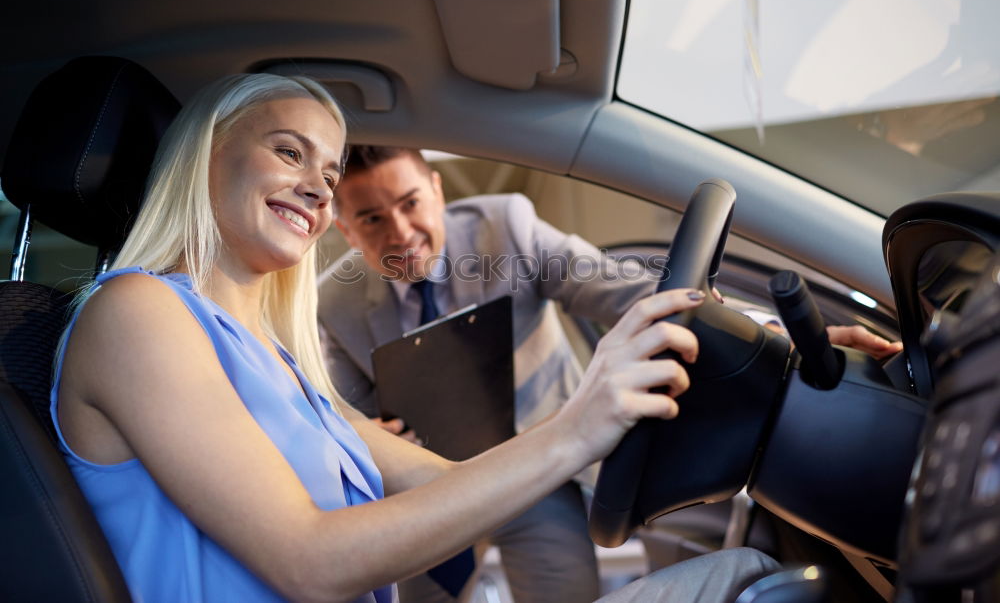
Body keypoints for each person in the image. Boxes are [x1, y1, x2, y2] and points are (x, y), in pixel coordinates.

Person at [50, 72, 781, 603]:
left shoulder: (277, 358)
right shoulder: (138, 313)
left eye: (327, 170)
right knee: (749, 585)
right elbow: (309, 561)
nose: (316, 185)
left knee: (743, 571)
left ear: (435, 189)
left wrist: (755, 335)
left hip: (529, 488)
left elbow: (440, 480)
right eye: (288, 152)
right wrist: (578, 427)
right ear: (205, 156)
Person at [318, 145, 903, 602]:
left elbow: (629, 289)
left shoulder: (507, 228)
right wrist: (373, 438)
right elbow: (348, 421)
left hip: (539, 469)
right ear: (344, 228)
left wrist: (782, 335)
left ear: (437, 190)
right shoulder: (333, 307)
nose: (399, 231)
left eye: (411, 203)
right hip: (430, 489)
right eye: (370, 218)